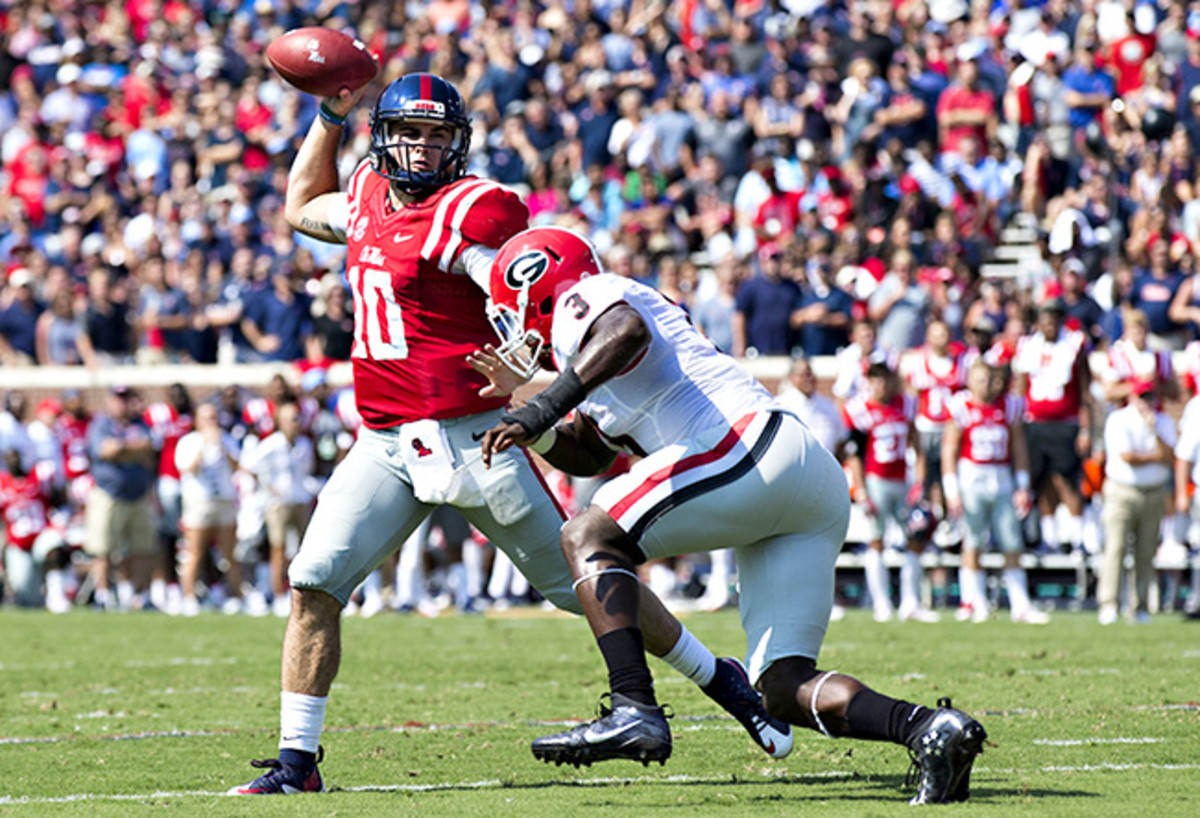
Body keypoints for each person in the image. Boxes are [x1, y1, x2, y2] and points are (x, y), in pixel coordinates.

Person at [230, 73, 788, 795]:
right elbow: (303, 205)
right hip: (384, 441)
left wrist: (531, 365)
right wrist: (329, 113)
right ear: (383, 138)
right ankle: (297, 764)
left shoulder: (474, 207)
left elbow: (519, 285)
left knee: (576, 586)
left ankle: (722, 681)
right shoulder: (368, 192)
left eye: (439, 136)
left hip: (475, 435)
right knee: (312, 584)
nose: (425, 149)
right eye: (411, 134)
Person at [475, 227, 985, 805]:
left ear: (536, 288)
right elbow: (590, 452)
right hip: (800, 479)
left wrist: (541, 404)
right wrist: (532, 421)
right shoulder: (589, 363)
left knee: (586, 532)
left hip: (747, 447)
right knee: (782, 689)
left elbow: (623, 331)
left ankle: (632, 704)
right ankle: (928, 730)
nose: (512, 327)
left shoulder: (592, 298)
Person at [942, 362, 1048, 624]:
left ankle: (1020, 604)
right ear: (970, 381)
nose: (985, 385)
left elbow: (1019, 447)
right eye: (980, 379)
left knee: (1012, 543)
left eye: (989, 380)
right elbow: (949, 450)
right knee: (973, 542)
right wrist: (951, 490)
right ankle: (973, 601)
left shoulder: (1008, 406)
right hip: (972, 479)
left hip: (1001, 479)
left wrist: (1022, 484)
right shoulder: (962, 407)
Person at [842, 363, 941, 623]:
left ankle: (910, 602)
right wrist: (861, 490)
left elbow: (916, 443)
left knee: (915, 538)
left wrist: (919, 480)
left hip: (901, 480)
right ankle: (881, 603)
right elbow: (855, 454)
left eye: (885, 380)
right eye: (876, 380)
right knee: (876, 540)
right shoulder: (861, 410)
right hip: (876, 480)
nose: (881, 386)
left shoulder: (904, 404)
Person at [1012, 299, 1093, 555]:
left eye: (1054, 319)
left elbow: (1084, 390)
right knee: (1043, 480)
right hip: (1035, 423)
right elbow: (1021, 387)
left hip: (1065, 423)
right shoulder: (1028, 346)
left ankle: (1077, 537)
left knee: (1067, 481)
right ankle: (1049, 537)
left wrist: (1085, 428)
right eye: (1044, 319)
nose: (1049, 325)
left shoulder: (1072, 346)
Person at [1098, 380, 1176, 625]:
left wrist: (1153, 431)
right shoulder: (1119, 420)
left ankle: (1139, 606)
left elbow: (1169, 457)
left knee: (1146, 551)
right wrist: (1155, 456)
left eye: (1151, 396)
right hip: (1122, 491)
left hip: (1153, 492)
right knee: (1115, 547)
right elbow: (1127, 457)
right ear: (1133, 397)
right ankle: (1108, 603)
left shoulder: (1163, 422)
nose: (1147, 402)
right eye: (1143, 396)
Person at [84, 385, 158, 611]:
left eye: (127, 399)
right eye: (119, 399)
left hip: (139, 495)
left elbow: (149, 450)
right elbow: (106, 451)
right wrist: (130, 451)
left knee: (143, 548)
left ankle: (141, 595)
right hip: (108, 494)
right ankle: (103, 594)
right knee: (103, 549)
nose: (123, 404)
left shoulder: (140, 424)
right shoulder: (101, 424)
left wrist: (123, 451)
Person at [174, 403, 242, 616]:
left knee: (229, 553)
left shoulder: (226, 439)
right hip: (199, 501)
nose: (212, 422)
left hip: (223, 499)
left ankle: (237, 596)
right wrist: (204, 445)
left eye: (214, 417)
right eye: (207, 418)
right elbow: (188, 469)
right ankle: (188, 597)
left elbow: (237, 466)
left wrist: (221, 446)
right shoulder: (189, 442)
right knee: (194, 551)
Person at [0, 446, 70, 613]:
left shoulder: (39, 477)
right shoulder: (2, 484)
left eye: (16, 457)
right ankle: (37, 596)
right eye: (10, 458)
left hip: (41, 536)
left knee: (54, 544)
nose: (14, 461)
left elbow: (59, 501)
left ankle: (56, 595)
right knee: (28, 599)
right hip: (18, 546)